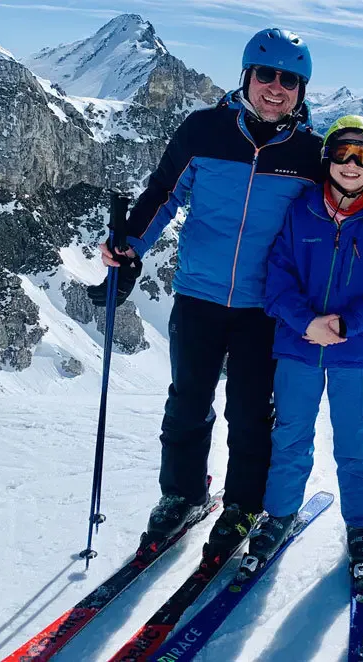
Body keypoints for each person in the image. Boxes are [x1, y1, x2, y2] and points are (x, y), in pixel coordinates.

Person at [87, 28, 323, 558]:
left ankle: (242, 504)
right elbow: (163, 193)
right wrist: (128, 246)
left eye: (291, 80)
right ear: (247, 76)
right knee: (188, 400)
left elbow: (336, 218)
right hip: (198, 293)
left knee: (249, 410)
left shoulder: (311, 154)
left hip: (265, 305)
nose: (276, 88)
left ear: (302, 91)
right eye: (267, 75)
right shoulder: (204, 130)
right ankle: (184, 494)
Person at [248, 116, 363, 576]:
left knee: (355, 440)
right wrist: (307, 323)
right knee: (291, 435)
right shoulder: (302, 212)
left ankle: (361, 526)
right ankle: (279, 515)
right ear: (327, 159)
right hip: (298, 349)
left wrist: (347, 325)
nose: (351, 165)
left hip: (352, 354)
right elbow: (276, 282)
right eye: (342, 154)